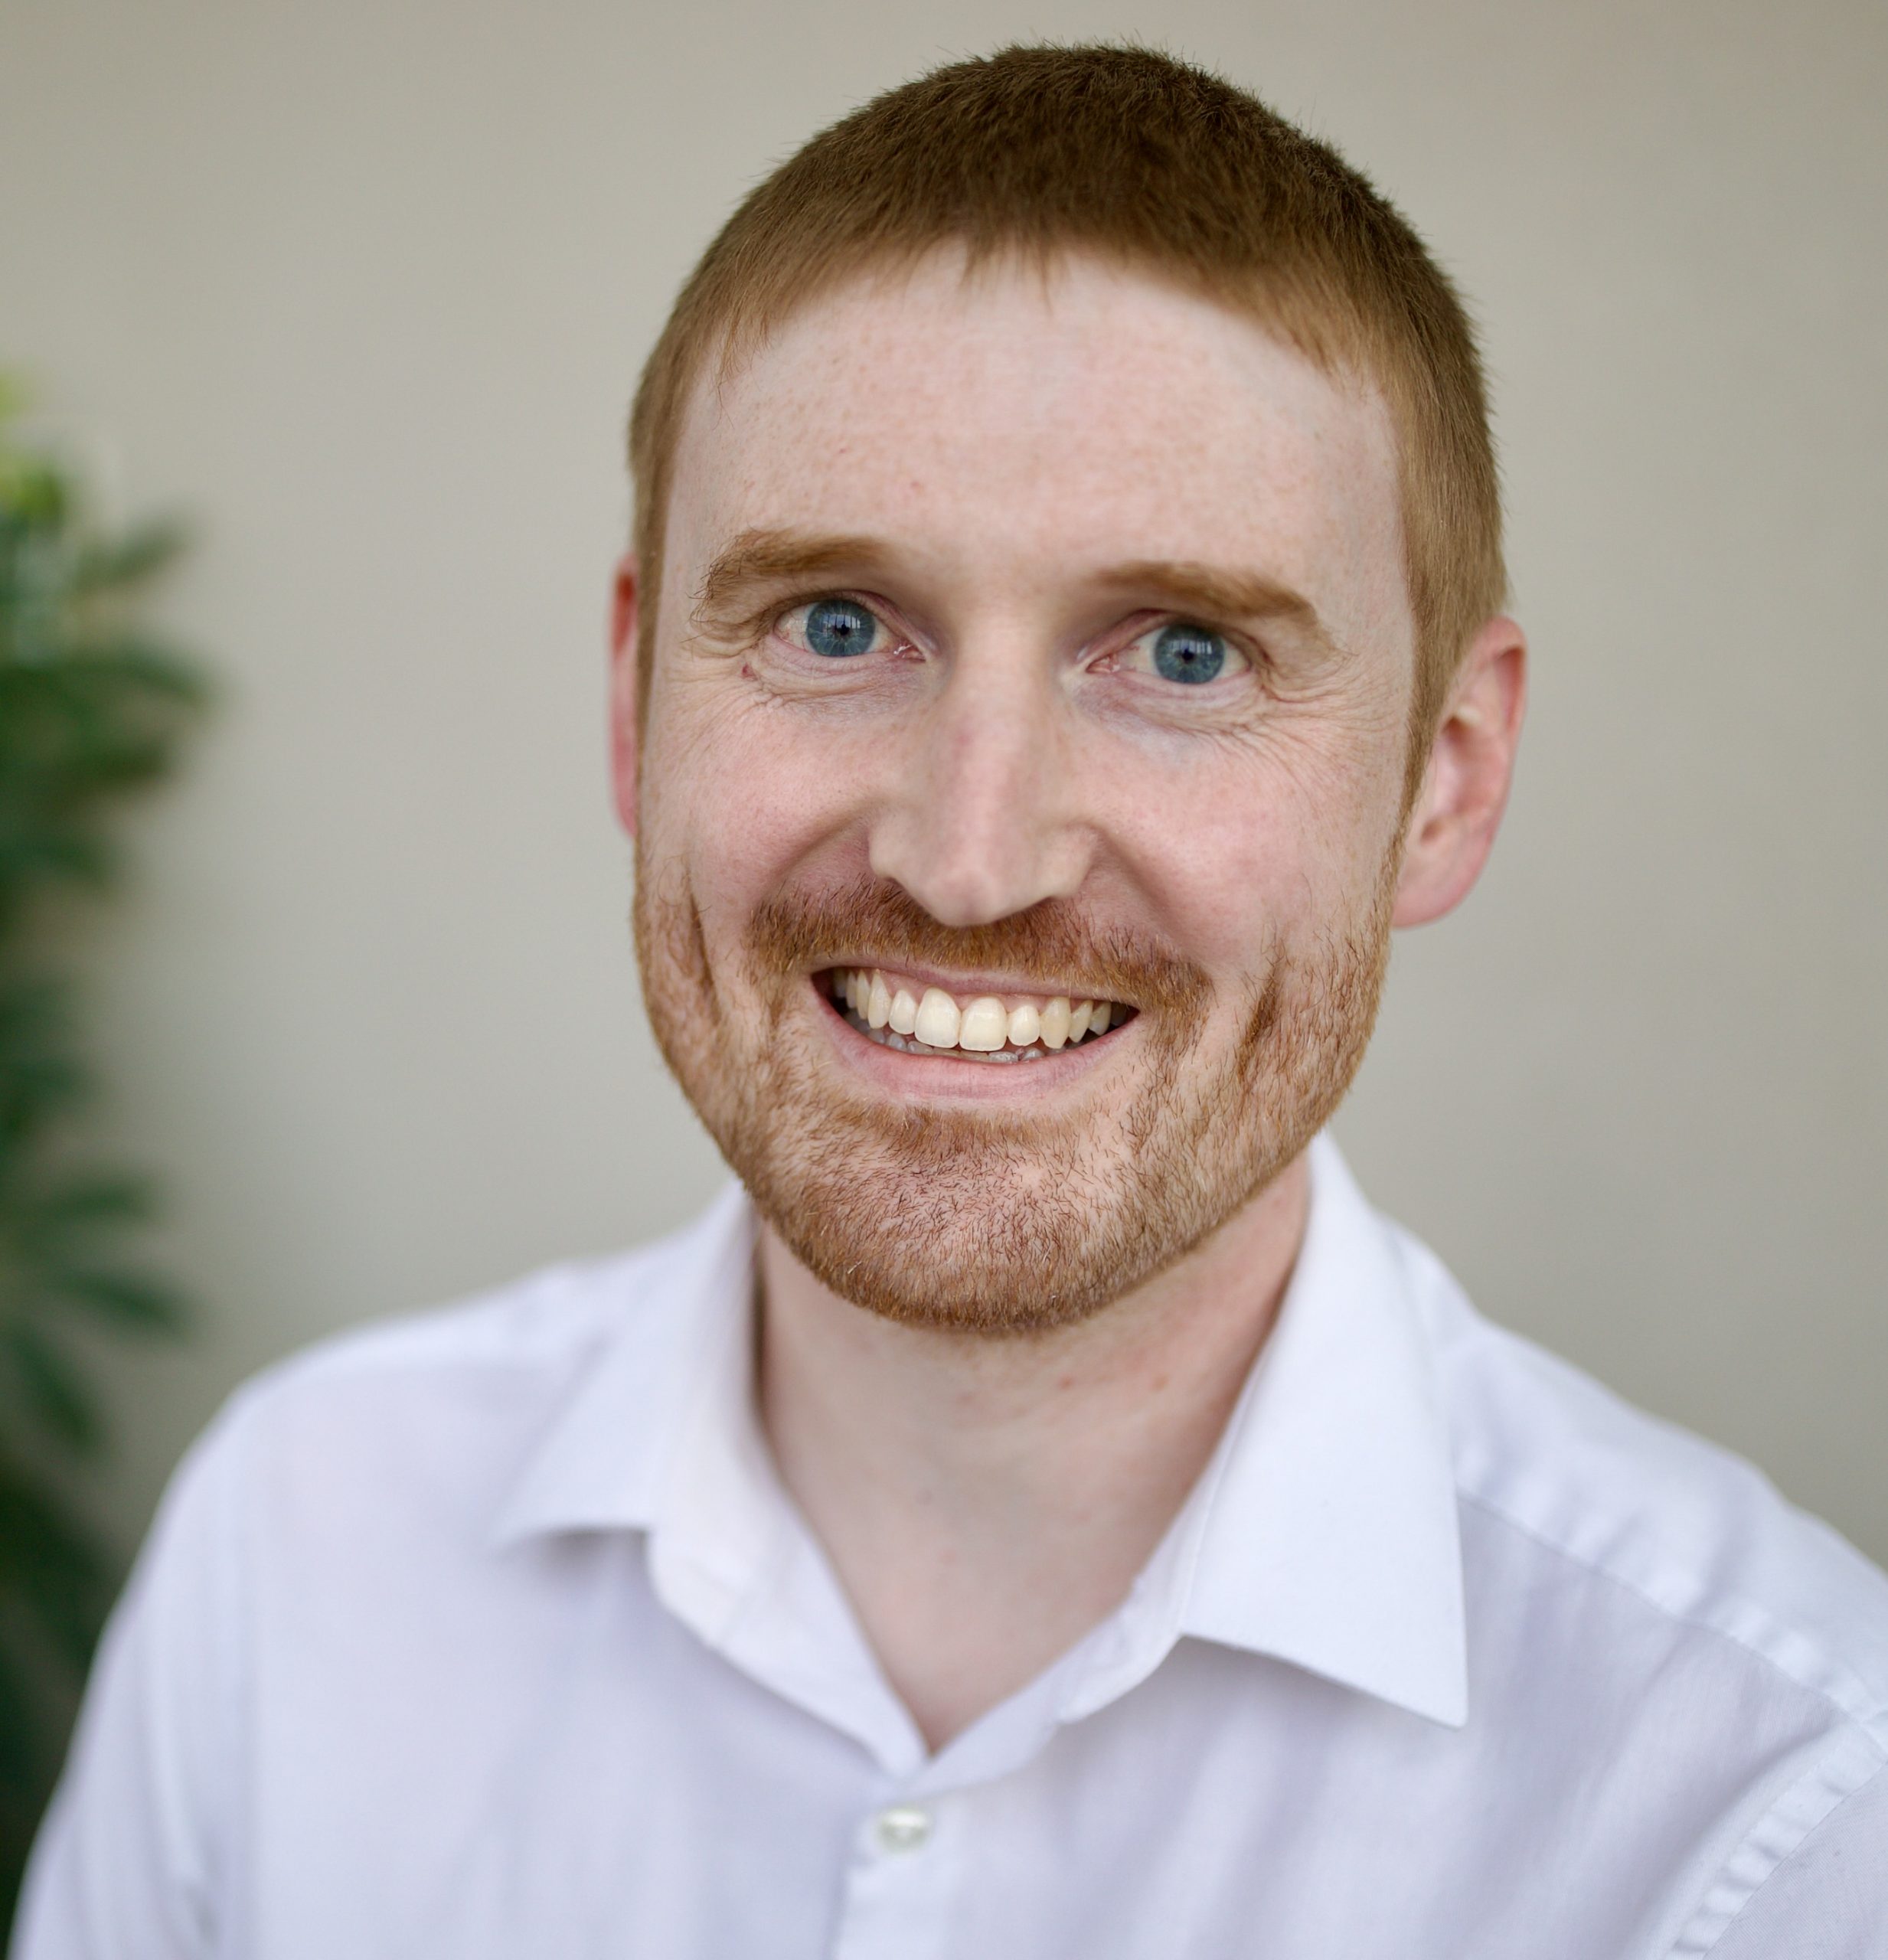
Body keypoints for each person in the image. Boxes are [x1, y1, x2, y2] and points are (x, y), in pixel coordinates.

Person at [15, 43, 1888, 1960]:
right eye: (837, 626)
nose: (970, 858)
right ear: (635, 701)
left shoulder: (1781, 1821)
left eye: (1185, 653)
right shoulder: (297, 1543)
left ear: (1447, 780)